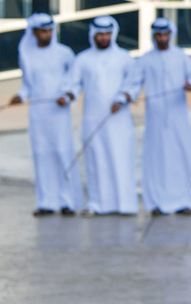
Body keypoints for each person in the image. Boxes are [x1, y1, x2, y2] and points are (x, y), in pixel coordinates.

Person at [62, 16, 138, 216]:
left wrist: (123, 97)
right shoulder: (83, 59)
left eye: (107, 34)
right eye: (100, 34)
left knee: (121, 159)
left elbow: (133, 83)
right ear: (93, 35)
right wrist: (68, 95)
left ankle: (125, 204)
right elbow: (72, 84)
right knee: (96, 161)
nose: (104, 38)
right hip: (92, 119)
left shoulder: (124, 57)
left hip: (118, 119)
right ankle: (97, 203)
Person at [10, 13, 84, 216]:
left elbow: (74, 81)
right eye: (43, 31)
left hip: (59, 112)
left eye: (50, 30)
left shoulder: (64, 53)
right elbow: (28, 84)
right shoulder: (27, 54)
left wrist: (67, 95)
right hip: (38, 113)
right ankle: (46, 202)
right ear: (34, 32)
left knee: (62, 152)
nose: (48, 34)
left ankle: (67, 202)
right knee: (41, 154)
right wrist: (20, 96)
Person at [124, 18, 191, 216]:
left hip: (178, 119)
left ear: (170, 35)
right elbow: (133, 84)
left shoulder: (181, 56)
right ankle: (156, 202)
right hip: (155, 120)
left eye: (165, 34)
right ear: (153, 36)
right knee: (155, 159)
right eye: (158, 35)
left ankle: (184, 201)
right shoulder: (145, 59)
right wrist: (126, 96)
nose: (162, 38)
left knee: (181, 157)